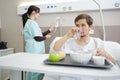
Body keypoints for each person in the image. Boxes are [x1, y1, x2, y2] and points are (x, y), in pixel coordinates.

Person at [44, 14, 116, 80]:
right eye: (77, 25)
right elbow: (55, 48)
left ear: (90, 27)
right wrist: (67, 36)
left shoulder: (97, 42)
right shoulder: (69, 41)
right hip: (69, 76)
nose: (80, 28)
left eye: (83, 25)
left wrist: (105, 54)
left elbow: (114, 63)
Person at [22, 5, 54, 80]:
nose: (39, 15)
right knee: (35, 71)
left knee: (30, 70)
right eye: (38, 13)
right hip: (35, 51)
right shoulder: (32, 23)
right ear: (33, 12)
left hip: (32, 50)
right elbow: (37, 38)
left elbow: (39, 35)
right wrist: (46, 37)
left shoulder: (29, 23)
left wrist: (49, 30)